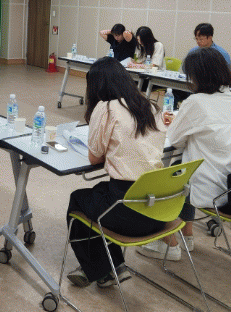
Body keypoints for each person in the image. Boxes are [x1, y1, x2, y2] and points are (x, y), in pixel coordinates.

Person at [137, 48, 231, 261]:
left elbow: (175, 139)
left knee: (167, 176)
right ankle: (186, 235)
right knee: (184, 166)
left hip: (211, 187)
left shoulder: (196, 102)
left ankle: (168, 243)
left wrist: (185, 126)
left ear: (198, 76)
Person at [65, 57, 168, 288]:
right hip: (158, 210)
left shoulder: (107, 108)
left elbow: (94, 158)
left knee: (78, 201)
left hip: (127, 213)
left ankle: (104, 269)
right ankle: (114, 266)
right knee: (100, 193)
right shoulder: (151, 106)